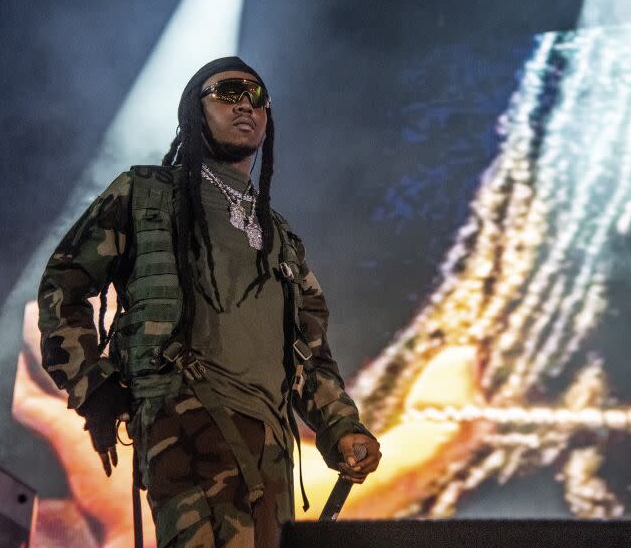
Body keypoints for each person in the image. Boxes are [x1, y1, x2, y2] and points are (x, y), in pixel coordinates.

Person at [37, 56, 381, 547]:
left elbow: (311, 353)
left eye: (257, 96)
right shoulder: (147, 194)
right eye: (229, 92)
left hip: (272, 443)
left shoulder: (280, 236)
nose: (246, 104)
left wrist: (342, 427)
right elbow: (63, 284)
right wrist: (93, 386)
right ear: (194, 112)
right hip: (188, 419)